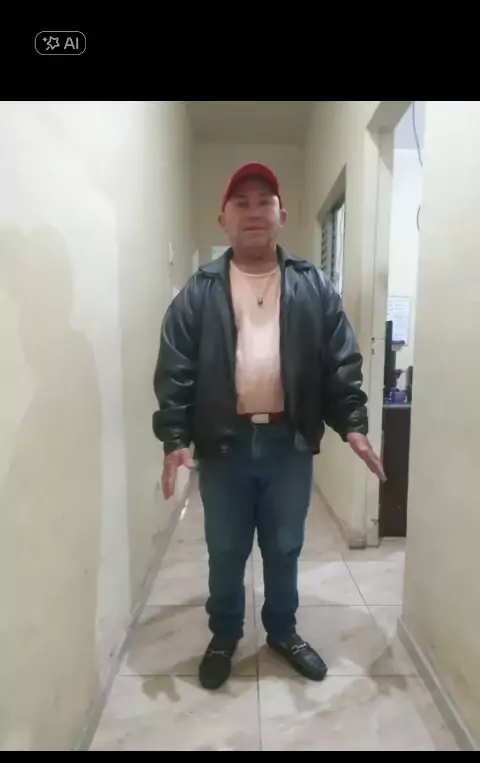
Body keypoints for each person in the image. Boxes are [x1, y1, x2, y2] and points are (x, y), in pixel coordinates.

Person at [153, 162, 385, 690]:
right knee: (226, 549)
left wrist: (352, 423)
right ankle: (224, 634)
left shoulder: (313, 285)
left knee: (284, 547)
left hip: (289, 444)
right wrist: (174, 437)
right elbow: (175, 368)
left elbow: (340, 361)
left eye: (265, 202)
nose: (254, 212)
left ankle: (282, 631)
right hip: (224, 446)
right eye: (242, 203)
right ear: (223, 218)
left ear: (283, 215)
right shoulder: (199, 291)